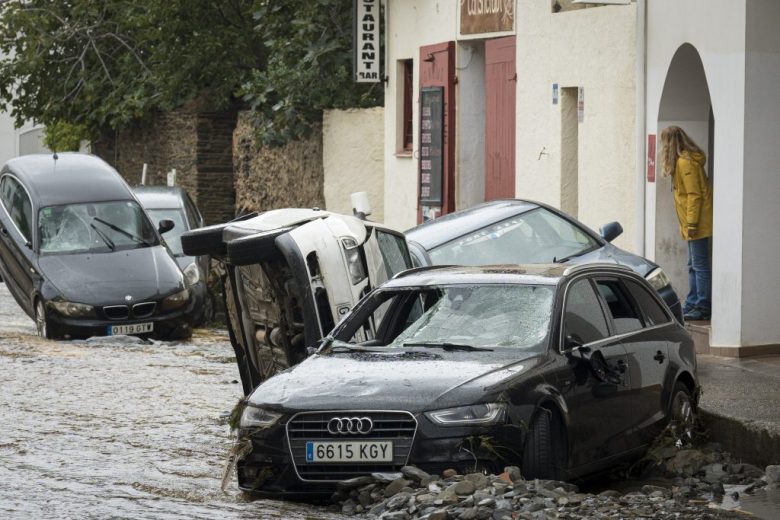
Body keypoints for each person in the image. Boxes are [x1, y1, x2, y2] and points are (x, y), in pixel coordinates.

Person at [660, 126, 713, 321]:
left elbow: (694, 195)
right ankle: (693, 302)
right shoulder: (684, 162)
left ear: (669, 143)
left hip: (698, 222)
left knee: (699, 264)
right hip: (693, 222)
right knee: (693, 264)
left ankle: (703, 305)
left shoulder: (685, 163)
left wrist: (691, 224)